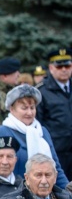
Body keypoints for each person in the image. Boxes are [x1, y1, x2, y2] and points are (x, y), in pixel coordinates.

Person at [0, 84, 68, 188]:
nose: (29, 113)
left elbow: (56, 168)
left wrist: (68, 193)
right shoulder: (1, 132)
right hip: (13, 196)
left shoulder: (42, 132)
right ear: (12, 109)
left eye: (32, 108)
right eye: (24, 108)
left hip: (46, 192)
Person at [37, 47, 72, 181]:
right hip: (56, 152)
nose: (64, 69)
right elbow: (38, 124)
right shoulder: (42, 91)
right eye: (59, 66)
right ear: (51, 68)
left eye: (67, 65)